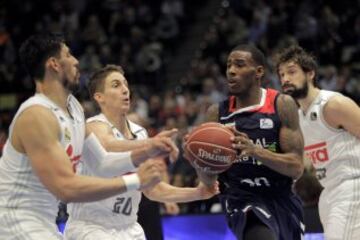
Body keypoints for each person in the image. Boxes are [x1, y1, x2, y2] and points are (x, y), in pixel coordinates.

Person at [0, 33, 173, 240]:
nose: (76, 61)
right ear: (54, 64)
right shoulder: (36, 115)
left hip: (45, 222)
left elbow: (103, 164)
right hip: (15, 220)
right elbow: (66, 188)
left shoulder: (75, 109)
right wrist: (137, 179)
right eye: (69, 54)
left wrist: (149, 150)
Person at [64, 64, 218, 240]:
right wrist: (152, 144)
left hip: (129, 227)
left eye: (125, 84)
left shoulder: (139, 132)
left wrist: (198, 193)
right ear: (99, 97)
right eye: (116, 85)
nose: (125, 90)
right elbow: (107, 144)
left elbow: (153, 190)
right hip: (91, 227)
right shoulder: (93, 126)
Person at [187, 44, 305, 240]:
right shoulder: (217, 113)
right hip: (241, 200)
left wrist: (255, 151)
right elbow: (208, 181)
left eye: (240, 65)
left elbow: (296, 167)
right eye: (229, 66)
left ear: (258, 71)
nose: (231, 71)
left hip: (281, 198)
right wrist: (199, 160)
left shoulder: (281, 104)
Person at [276, 45, 360, 240]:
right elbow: (303, 163)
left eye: (291, 72)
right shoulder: (297, 118)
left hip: (353, 186)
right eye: (281, 75)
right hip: (328, 192)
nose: (285, 79)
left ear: (310, 74)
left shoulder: (333, 105)